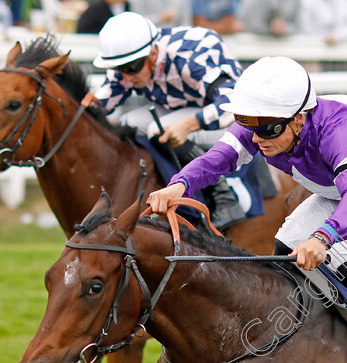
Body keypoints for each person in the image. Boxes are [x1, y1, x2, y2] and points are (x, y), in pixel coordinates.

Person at [147, 56, 347, 363]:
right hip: (340, 190)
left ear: (300, 119)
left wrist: (324, 237)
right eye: (248, 125)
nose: (258, 137)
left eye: (268, 130)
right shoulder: (265, 120)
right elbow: (219, 158)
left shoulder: (337, 128)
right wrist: (178, 184)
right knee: (287, 245)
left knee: (341, 254)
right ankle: (310, 336)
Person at [94, 12, 246, 230]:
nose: (125, 77)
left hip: (230, 116)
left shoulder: (192, 57)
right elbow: (100, 104)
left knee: (158, 128)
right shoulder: (133, 59)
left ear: (153, 54)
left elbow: (231, 106)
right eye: (119, 69)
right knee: (127, 121)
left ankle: (223, 197)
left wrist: (187, 125)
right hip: (181, 109)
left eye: (130, 69)